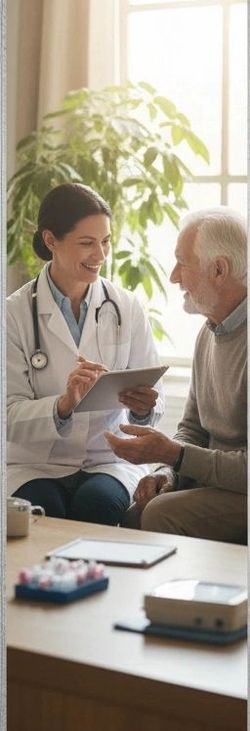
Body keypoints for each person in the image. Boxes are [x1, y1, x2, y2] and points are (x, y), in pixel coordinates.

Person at [6, 183, 163, 526]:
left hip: (108, 459)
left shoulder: (127, 307)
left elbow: (155, 399)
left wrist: (143, 408)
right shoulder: (13, 315)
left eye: (106, 241)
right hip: (35, 464)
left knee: (97, 505)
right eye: (87, 243)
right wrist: (63, 405)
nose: (101, 255)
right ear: (51, 240)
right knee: (44, 512)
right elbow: (8, 414)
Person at [104, 208, 248, 544]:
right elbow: (192, 428)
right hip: (214, 480)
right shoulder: (208, 333)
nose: (173, 277)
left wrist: (174, 456)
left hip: (249, 489)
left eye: (182, 263)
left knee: (159, 514)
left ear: (219, 269)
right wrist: (167, 471)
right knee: (134, 512)